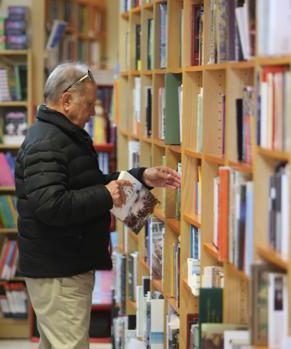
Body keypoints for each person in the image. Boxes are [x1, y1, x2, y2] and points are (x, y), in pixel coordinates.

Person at [15, 63, 181, 349]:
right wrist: (105, 195)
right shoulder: (47, 142)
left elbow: (87, 183)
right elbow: (50, 205)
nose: (93, 112)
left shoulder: (64, 136)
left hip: (66, 263)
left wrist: (142, 177)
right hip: (59, 269)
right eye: (89, 104)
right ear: (66, 100)